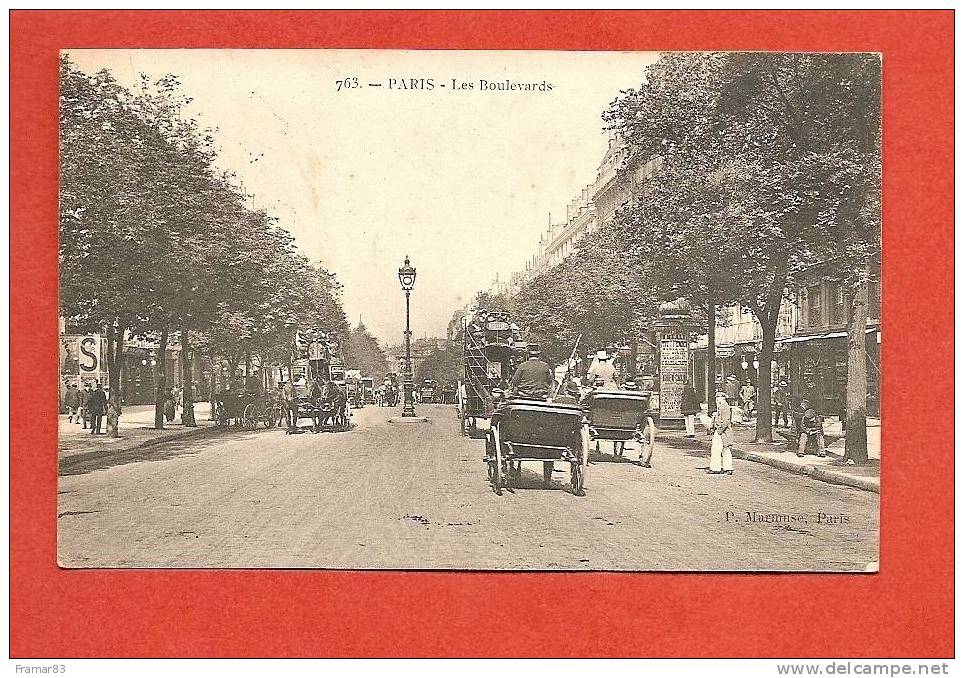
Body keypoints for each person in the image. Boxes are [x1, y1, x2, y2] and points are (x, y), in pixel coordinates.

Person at [708, 392, 734, 475]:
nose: (716, 399)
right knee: (724, 449)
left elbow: (726, 421)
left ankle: (716, 468)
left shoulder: (724, 407)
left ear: (722, 398)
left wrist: (719, 430)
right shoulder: (722, 407)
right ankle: (728, 468)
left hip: (722, 432)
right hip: (722, 431)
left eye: (718, 398)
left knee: (716, 449)